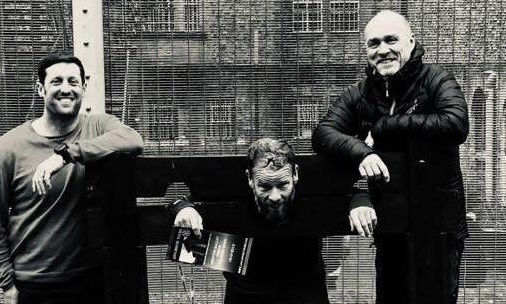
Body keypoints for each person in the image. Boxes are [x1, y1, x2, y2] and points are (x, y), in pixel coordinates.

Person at [312, 10, 469, 304]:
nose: (382, 50)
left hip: (438, 222)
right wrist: (361, 151)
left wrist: (385, 127)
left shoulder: (437, 79)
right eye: (373, 44)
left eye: (391, 40)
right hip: (391, 221)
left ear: (410, 41)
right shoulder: (361, 93)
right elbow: (323, 133)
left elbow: (456, 123)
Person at [0, 54, 144, 304]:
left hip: (91, 281)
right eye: (56, 81)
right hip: (33, 284)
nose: (66, 89)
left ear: (84, 88)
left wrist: (67, 154)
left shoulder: (98, 127)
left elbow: (133, 140)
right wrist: (7, 285)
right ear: (40, 88)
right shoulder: (7, 149)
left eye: (73, 82)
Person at [169, 138, 342, 304]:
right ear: (250, 179)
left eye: (282, 185)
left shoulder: (313, 192)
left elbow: (354, 191)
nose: (275, 197)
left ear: (295, 174)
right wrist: (184, 208)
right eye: (265, 187)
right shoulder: (230, 195)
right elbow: (179, 201)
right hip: (246, 293)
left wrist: (360, 202)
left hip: (305, 292)